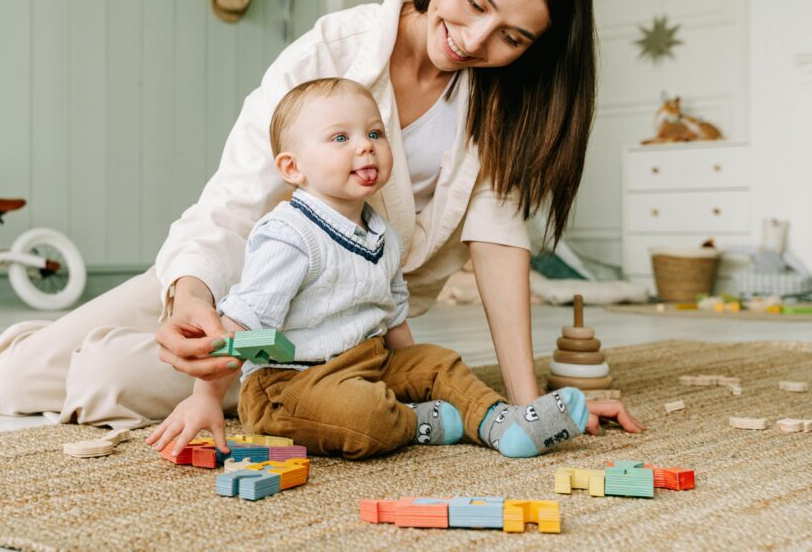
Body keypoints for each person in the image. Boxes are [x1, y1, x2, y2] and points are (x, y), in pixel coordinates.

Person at [0, 0, 643, 437]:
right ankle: (227, 367)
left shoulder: (500, 106)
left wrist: (528, 404)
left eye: (512, 37)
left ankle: (293, 388)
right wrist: (189, 297)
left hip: (339, 327)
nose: (476, 39)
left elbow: (499, 245)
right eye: (475, 2)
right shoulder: (334, 51)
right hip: (243, 273)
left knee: (104, 375)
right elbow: (233, 204)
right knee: (11, 378)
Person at [145, 77, 591, 460]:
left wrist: (416, 375)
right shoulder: (289, 235)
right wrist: (204, 397)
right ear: (292, 167)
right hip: (290, 386)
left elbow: (392, 314)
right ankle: (415, 422)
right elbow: (241, 326)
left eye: (375, 134)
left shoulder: (382, 233)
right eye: (341, 138)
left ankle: (503, 424)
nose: (365, 147)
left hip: (367, 362)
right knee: (365, 413)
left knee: (441, 362)